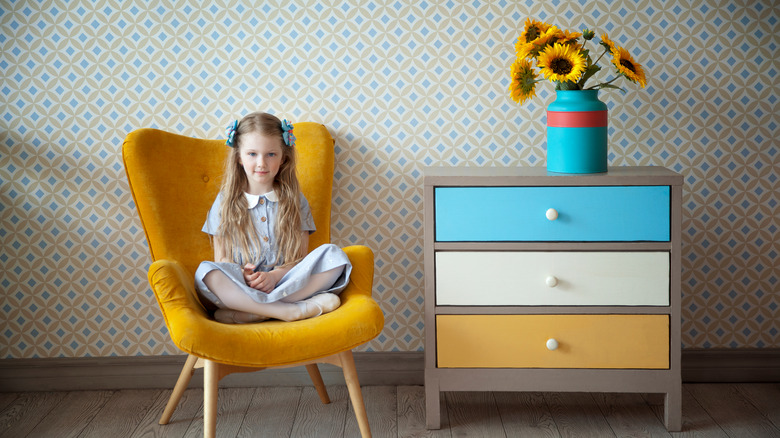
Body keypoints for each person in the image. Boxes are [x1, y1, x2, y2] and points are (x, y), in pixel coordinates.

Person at [194, 112, 351, 323]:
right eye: (252, 154)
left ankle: (253, 313)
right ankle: (288, 311)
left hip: (286, 283)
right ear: (239, 157)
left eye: (271, 154)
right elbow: (221, 259)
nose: (261, 163)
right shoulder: (224, 202)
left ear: (283, 157)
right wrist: (243, 274)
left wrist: (274, 276)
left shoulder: (295, 200)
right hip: (242, 288)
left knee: (335, 256)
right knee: (207, 272)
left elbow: (299, 256)